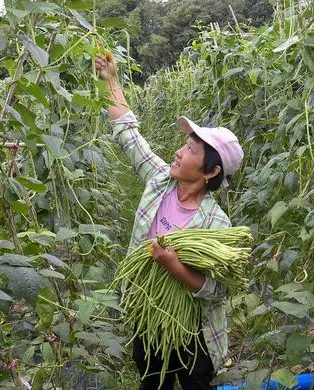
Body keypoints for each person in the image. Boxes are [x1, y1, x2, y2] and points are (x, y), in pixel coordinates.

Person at [94, 54, 244, 390]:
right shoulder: (160, 180)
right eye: (185, 145)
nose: (179, 152)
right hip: (149, 319)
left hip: (193, 331)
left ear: (211, 172)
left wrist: (175, 266)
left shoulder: (216, 224)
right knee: (151, 382)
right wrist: (111, 80)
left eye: (191, 151)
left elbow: (219, 291)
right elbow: (128, 134)